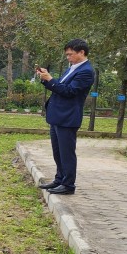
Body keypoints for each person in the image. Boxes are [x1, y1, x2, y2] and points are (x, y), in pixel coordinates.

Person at [36, 39, 94, 196]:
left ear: (81, 52)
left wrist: (50, 80)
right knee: (58, 151)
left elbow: (69, 92)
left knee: (66, 152)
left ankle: (68, 184)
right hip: (57, 116)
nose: (68, 57)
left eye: (70, 54)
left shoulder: (86, 71)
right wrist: (46, 79)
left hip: (68, 118)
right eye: (67, 54)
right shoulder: (72, 69)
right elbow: (59, 87)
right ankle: (59, 178)